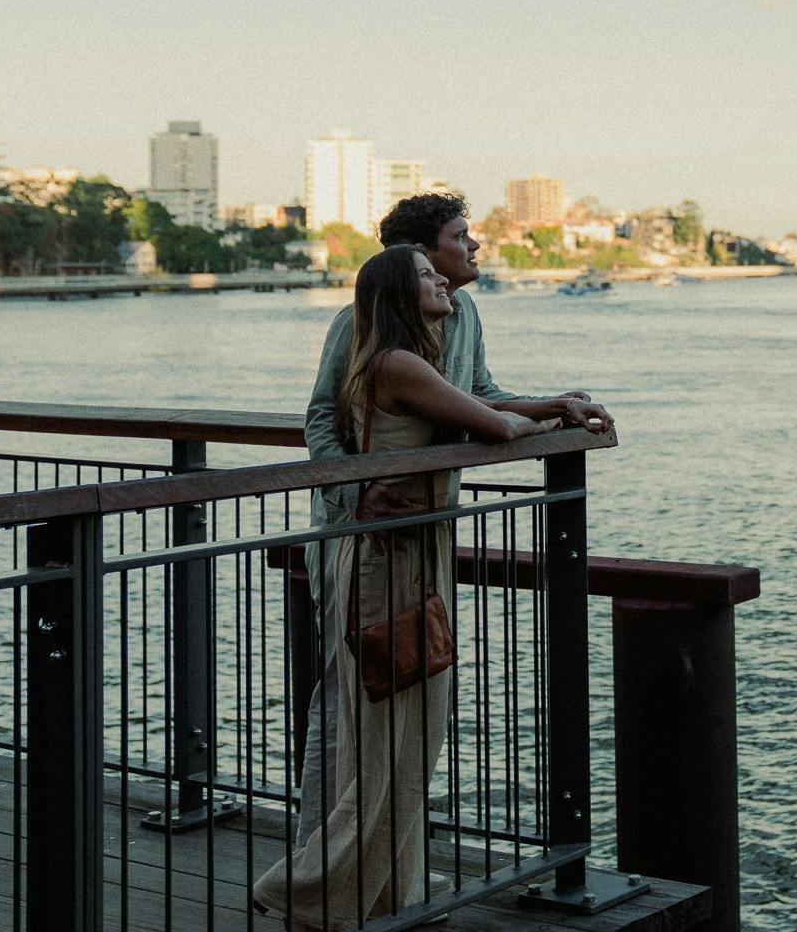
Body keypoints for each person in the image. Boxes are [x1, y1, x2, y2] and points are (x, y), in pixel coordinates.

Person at [293, 193, 611, 847]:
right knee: (348, 691)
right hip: (359, 532)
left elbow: (480, 397)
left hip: (422, 526)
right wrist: (351, 498)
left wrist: (557, 404)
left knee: (409, 684)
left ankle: (383, 861)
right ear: (418, 254)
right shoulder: (362, 324)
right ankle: (320, 856)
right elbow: (323, 415)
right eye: (460, 237)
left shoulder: (463, 313)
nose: (473, 248)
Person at [254, 245, 556, 926]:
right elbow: (496, 423)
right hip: (386, 559)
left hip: (404, 552)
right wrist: (549, 422)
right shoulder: (398, 363)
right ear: (398, 291)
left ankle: (384, 893)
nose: (444, 278)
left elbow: (482, 398)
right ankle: (302, 889)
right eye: (427, 274)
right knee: (390, 737)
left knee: (404, 732)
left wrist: (554, 407)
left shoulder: (400, 357)